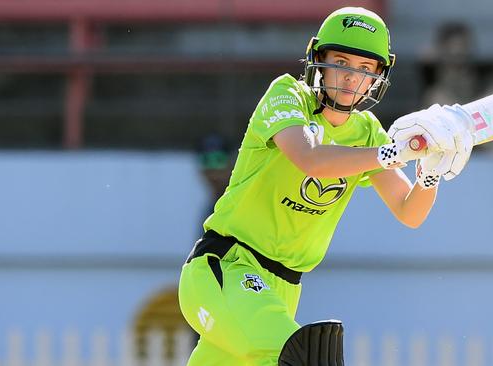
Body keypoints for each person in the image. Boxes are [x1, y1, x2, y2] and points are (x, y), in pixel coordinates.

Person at [178, 7, 475, 366]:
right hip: (227, 268)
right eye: (342, 62)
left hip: (283, 290)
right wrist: (392, 152)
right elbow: (311, 158)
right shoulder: (288, 95)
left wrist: (430, 172)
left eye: (365, 69)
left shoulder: (366, 131)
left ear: (377, 77)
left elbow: (409, 211)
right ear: (318, 59)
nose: (351, 78)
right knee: (307, 357)